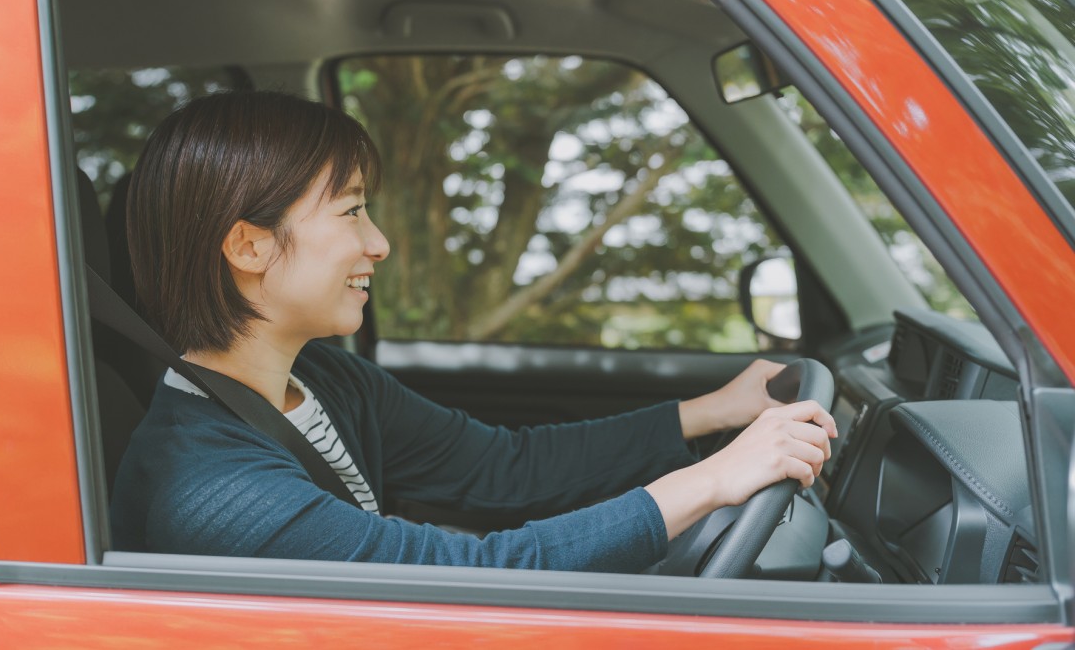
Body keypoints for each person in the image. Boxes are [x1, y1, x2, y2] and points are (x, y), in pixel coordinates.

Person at [110, 91, 837, 573]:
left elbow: (504, 467)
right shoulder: (215, 492)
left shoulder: (320, 377)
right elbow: (467, 576)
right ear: (250, 247)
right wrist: (712, 481)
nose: (380, 243)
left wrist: (713, 412)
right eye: (351, 211)